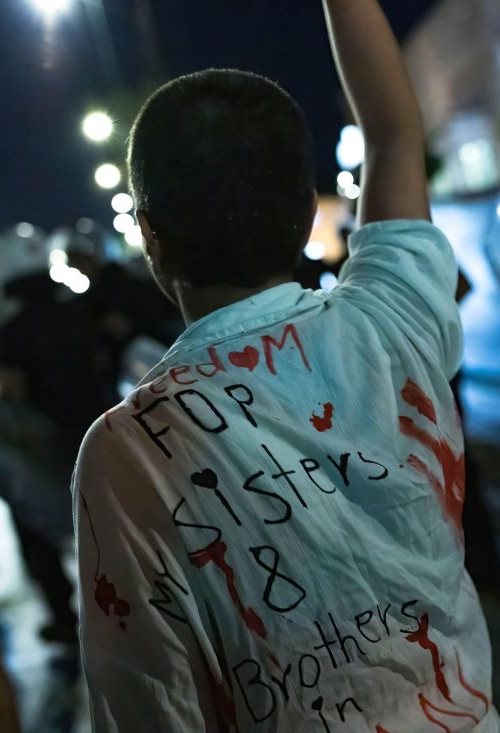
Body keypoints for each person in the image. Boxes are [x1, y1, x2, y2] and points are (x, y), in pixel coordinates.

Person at [73, 1, 499, 730]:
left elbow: (150, 704)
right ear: (306, 214)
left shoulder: (126, 453)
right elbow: (393, 133)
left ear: (150, 236)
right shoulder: (388, 322)